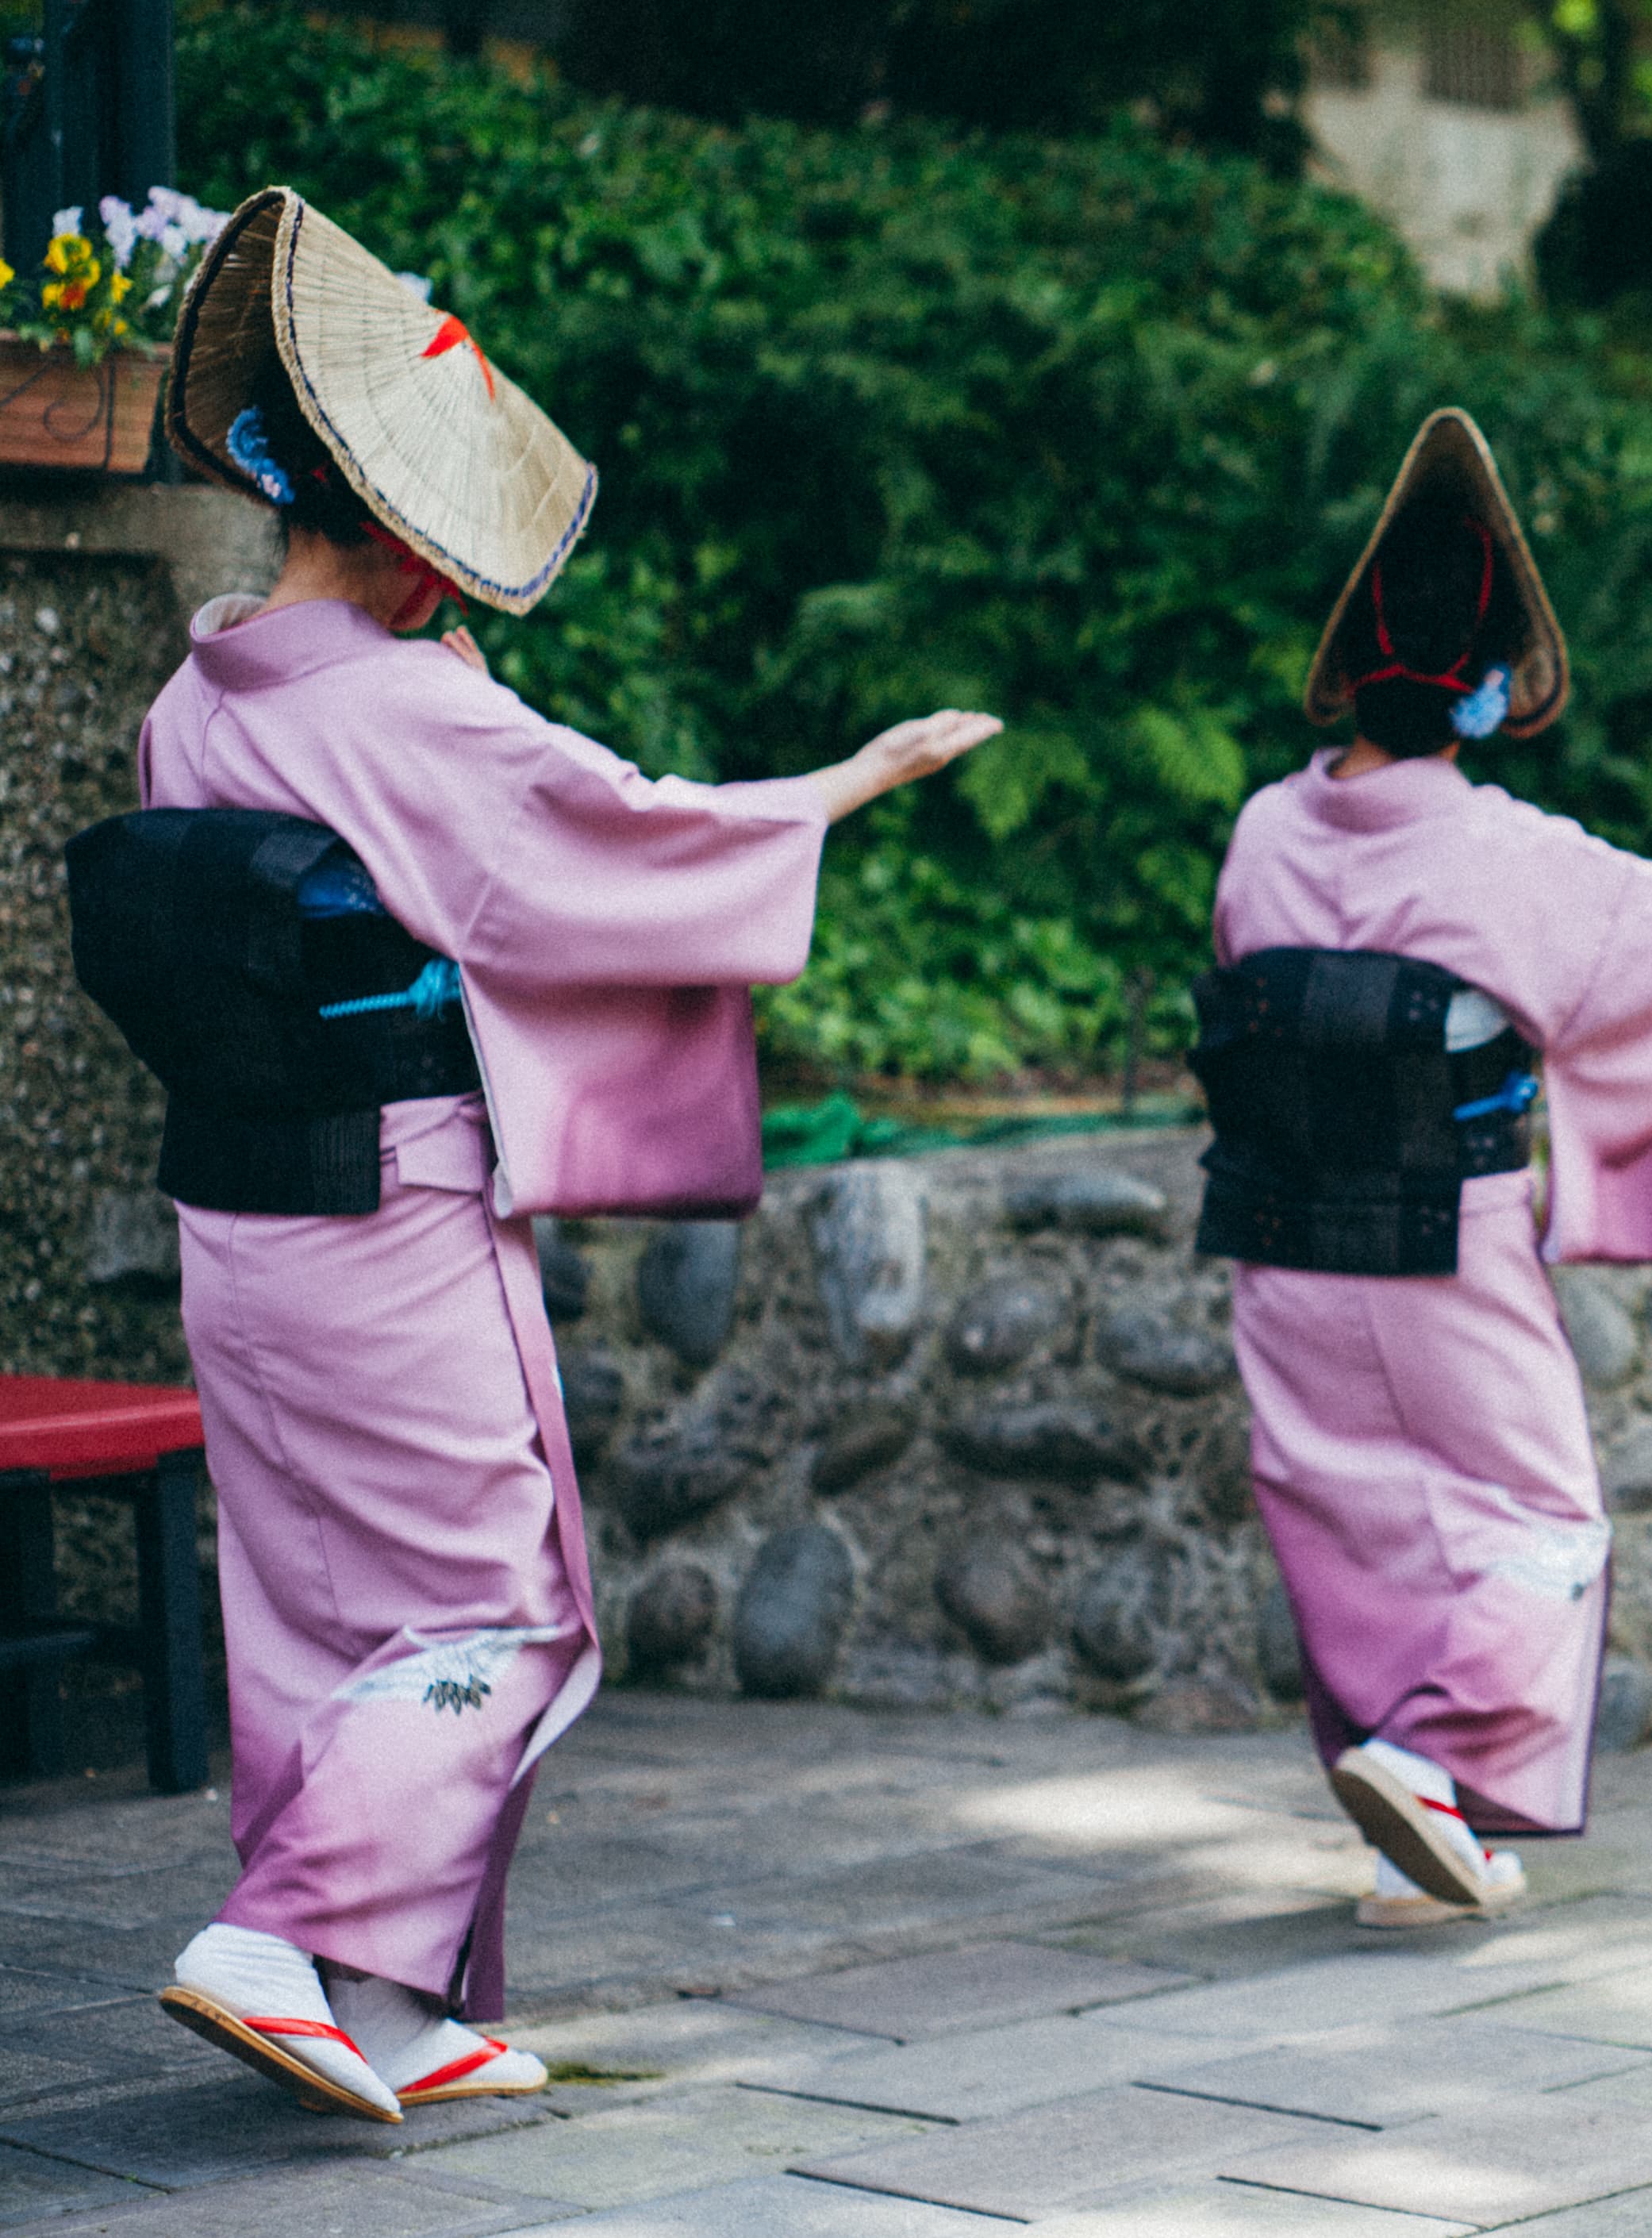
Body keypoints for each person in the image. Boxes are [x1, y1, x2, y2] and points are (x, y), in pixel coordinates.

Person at [67, 188, 998, 2124]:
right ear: (416, 548)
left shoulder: (189, 698)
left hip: (238, 1206)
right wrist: (846, 783)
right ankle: (284, 1929)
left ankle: (393, 1997)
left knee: (320, 1596)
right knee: (504, 1602)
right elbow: (626, 842)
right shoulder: (416, 712)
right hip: (387, 1199)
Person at [1197, 408, 1652, 1927]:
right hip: (1438, 1232)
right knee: (1541, 1524)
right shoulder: (1509, 852)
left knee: (1354, 1518)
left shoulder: (1261, 830)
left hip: (1279, 1241)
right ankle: (1431, 1758)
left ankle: (1419, 1839)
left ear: (1352, 669)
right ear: (1487, 691)